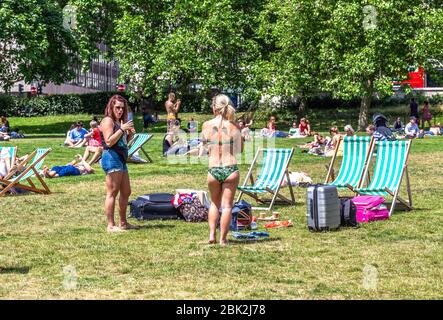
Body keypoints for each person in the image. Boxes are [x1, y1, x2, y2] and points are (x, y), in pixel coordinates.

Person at [201, 94, 243, 246]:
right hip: (230, 168)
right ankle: (223, 240)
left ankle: (212, 234)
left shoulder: (206, 125)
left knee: (214, 203)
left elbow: (205, 144)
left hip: (213, 169)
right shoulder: (234, 126)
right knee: (226, 206)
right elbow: (240, 150)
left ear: (214, 108)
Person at [100, 94, 138, 233]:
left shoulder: (119, 122)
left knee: (126, 191)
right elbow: (109, 141)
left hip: (120, 158)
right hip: (111, 157)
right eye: (117, 107)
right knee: (112, 192)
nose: (120, 110)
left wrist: (129, 135)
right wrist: (122, 129)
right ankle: (110, 225)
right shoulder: (108, 121)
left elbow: (122, 143)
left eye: (122, 108)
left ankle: (123, 223)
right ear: (111, 107)